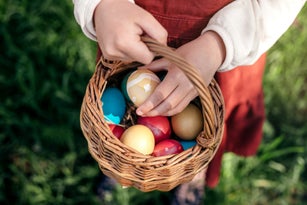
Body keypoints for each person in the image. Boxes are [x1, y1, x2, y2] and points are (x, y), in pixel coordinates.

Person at [73, 0, 305, 204]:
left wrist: (221, 43)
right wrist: (102, 5)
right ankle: (121, 155)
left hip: (226, 44)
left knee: (203, 122)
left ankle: (192, 169)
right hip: (134, 29)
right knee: (125, 100)